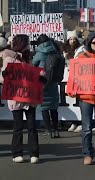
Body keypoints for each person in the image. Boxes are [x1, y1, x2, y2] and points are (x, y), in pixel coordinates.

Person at [68, 33, 95, 165]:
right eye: (94, 42)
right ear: (89, 44)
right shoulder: (81, 58)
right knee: (86, 128)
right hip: (86, 98)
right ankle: (88, 154)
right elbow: (73, 76)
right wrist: (71, 89)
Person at [0, 35, 44, 164]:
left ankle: (34, 153)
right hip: (16, 97)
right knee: (18, 126)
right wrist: (5, 76)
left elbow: (33, 74)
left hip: (29, 97)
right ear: (22, 43)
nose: (29, 45)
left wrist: (41, 77)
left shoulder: (28, 57)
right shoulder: (9, 58)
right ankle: (17, 153)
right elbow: (3, 79)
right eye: (28, 43)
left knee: (32, 126)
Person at [32, 35, 61, 138]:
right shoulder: (55, 49)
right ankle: (56, 130)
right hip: (53, 81)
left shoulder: (40, 52)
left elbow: (33, 65)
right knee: (53, 107)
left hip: (42, 81)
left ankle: (49, 130)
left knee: (44, 107)